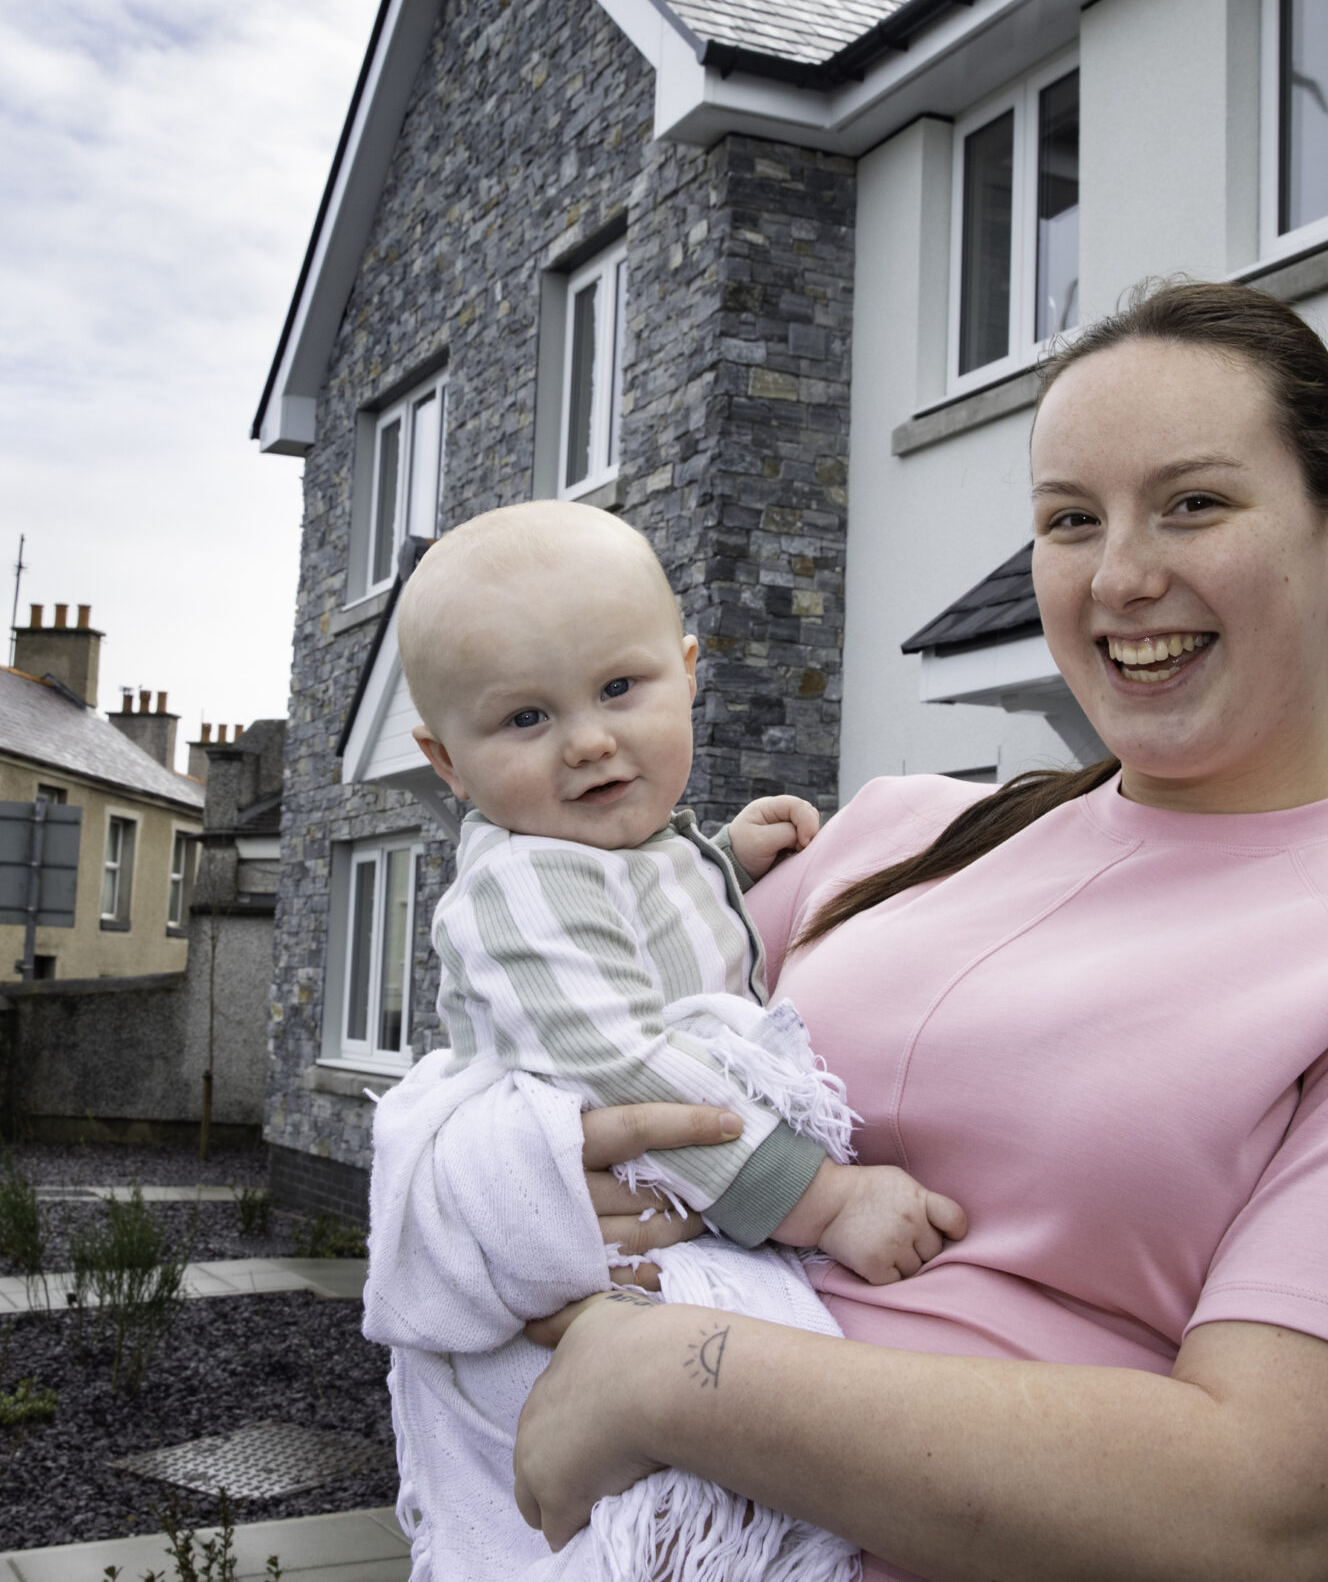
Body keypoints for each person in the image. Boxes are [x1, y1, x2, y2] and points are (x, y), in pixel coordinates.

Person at [499, 280, 1328, 1582]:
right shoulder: (887, 834)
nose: (1125, 575)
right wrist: (517, 1196)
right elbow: (536, 1070)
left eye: (1195, 502)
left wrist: (676, 1372)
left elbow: (1264, 1506)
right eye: (1070, 519)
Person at [363, 498, 964, 1579]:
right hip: (579, 1274)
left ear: (688, 670)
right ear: (444, 761)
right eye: (524, 720)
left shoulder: (635, 847)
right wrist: (826, 1201)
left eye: (617, 689)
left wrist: (726, 859)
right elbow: (621, 1061)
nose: (589, 740)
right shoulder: (517, 885)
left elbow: (652, 930)